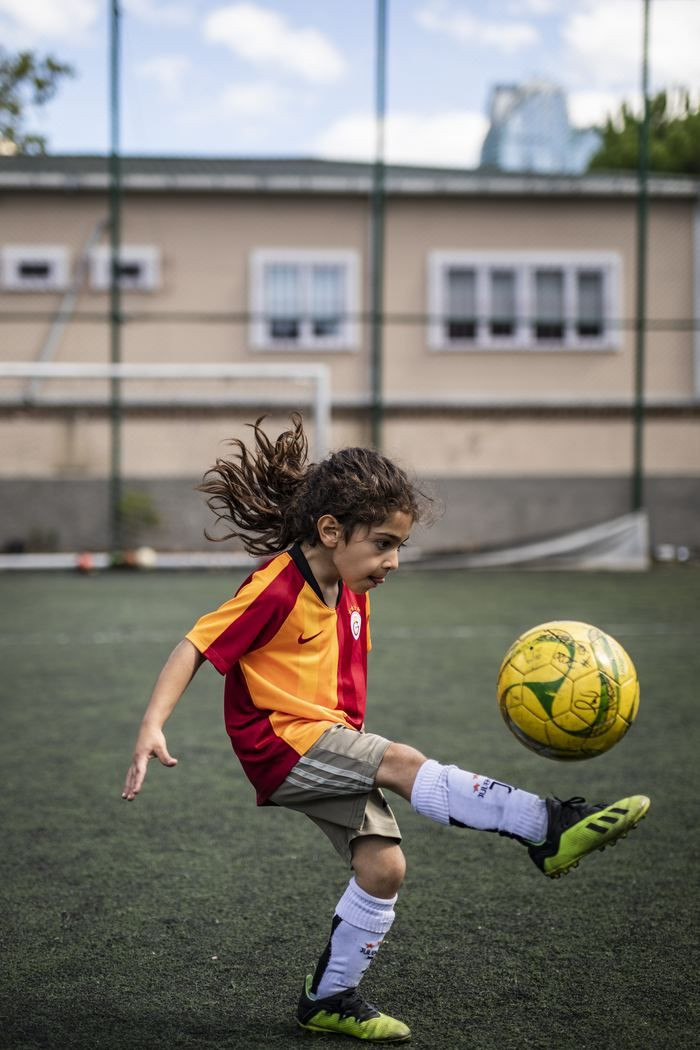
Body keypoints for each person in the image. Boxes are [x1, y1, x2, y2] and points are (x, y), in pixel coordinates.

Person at [122, 415, 650, 1045]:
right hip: (282, 742)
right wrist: (152, 724)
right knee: (399, 760)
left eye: (399, 545)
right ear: (330, 530)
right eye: (382, 544)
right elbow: (196, 644)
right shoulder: (274, 587)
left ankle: (328, 998)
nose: (393, 561)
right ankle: (546, 826)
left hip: (320, 741)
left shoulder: (349, 585)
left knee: (384, 869)